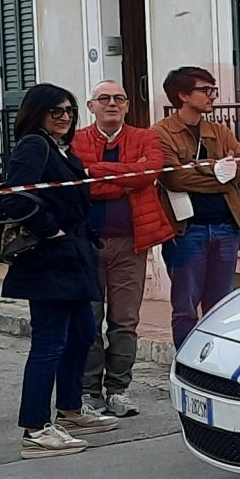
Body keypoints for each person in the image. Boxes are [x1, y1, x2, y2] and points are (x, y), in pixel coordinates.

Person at [0, 82, 113, 457]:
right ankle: (35, 429)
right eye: (56, 111)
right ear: (38, 113)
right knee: (49, 343)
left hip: (74, 257)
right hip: (49, 260)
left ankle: (70, 409)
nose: (65, 118)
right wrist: (52, 229)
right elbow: (13, 195)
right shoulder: (34, 145)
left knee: (81, 335)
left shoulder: (61, 148)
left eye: (69, 111)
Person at [77, 80, 174, 417]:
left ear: (128, 106)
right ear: (91, 107)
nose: (112, 104)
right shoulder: (76, 141)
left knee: (125, 321)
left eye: (119, 98)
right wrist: (124, 178)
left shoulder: (146, 137)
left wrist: (99, 173)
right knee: (88, 320)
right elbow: (83, 187)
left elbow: (148, 174)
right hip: (86, 246)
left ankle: (118, 390)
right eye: (104, 98)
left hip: (131, 244)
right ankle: (90, 392)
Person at [156, 66, 240, 348]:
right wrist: (219, 173)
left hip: (226, 227)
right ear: (183, 95)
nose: (212, 96)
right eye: (205, 90)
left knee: (220, 305)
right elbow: (173, 177)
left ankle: (216, 361)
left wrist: (202, 170)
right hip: (187, 232)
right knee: (185, 306)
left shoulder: (219, 131)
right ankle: (185, 361)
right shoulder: (161, 133)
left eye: (213, 90)